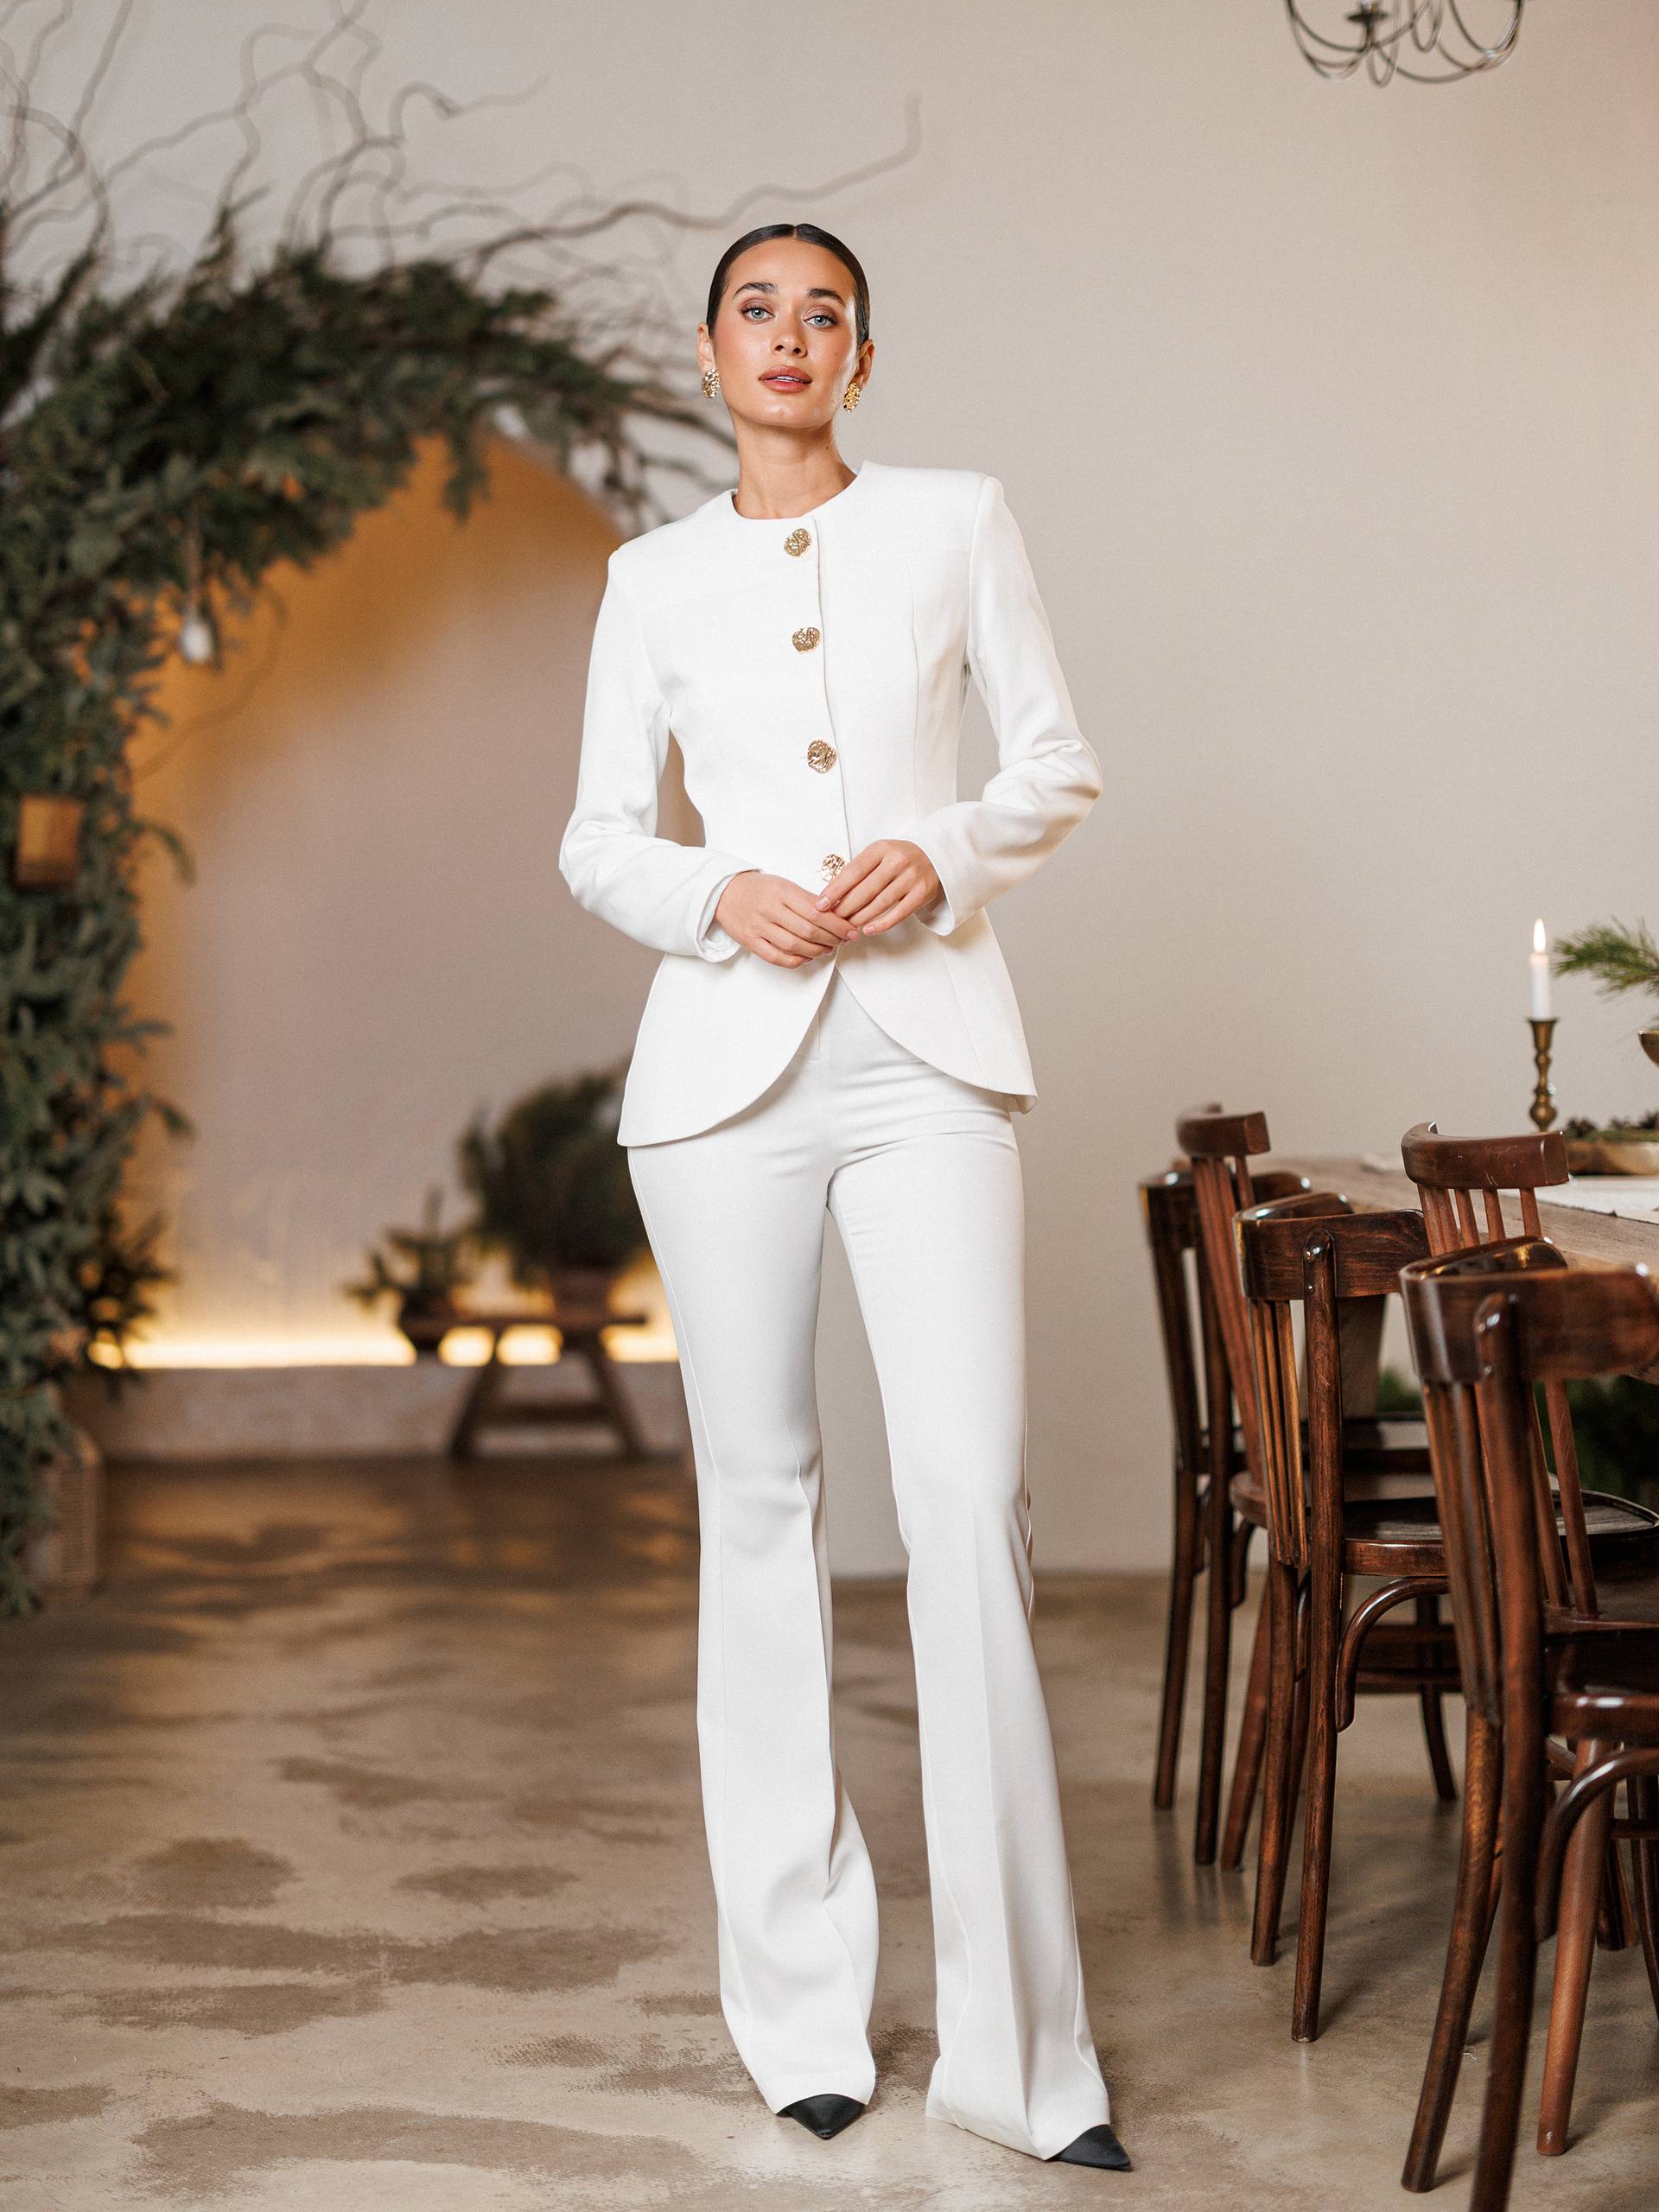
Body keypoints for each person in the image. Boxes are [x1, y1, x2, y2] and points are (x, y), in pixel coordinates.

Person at [557, 221, 1128, 2175]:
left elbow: (1057, 760)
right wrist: (715, 888)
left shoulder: (960, 519)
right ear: (711, 350)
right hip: (723, 1076)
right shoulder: (650, 577)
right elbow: (596, 833)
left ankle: (1025, 2055)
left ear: (861, 357)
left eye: (824, 314)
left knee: (965, 1493)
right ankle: (801, 2016)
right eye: (756, 310)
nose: (788, 337)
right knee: (762, 1504)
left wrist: (941, 848)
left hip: (929, 1056)